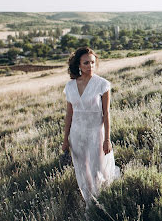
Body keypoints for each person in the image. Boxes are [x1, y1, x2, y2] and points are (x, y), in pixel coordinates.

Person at [62, 47, 120, 208]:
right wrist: (65, 140)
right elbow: (69, 114)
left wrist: (107, 139)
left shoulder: (102, 84)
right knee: (82, 170)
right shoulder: (70, 86)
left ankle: (104, 200)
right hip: (77, 135)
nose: (90, 66)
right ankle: (90, 202)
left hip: (97, 134)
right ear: (79, 65)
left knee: (99, 170)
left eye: (93, 62)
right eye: (86, 63)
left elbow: (106, 114)